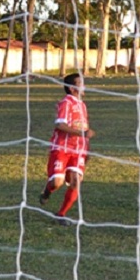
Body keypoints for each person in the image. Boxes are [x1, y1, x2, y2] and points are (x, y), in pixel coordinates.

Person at [38, 73, 95, 225]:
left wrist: (86, 148)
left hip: (78, 150)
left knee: (76, 181)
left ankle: (61, 214)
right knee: (57, 182)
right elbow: (60, 125)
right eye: (80, 83)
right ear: (72, 88)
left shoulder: (82, 105)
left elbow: (84, 128)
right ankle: (47, 191)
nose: (84, 86)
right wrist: (81, 133)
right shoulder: (66, 103)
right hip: (61, 148)